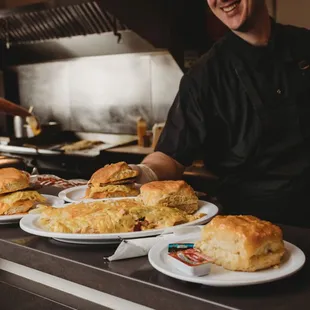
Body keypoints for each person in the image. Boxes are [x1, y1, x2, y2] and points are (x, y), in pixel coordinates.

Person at [131, 0, 310, 227]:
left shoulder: (304, 44)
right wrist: (141, 173)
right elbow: (171, 155)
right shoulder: (204, 75)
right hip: (249, 225)